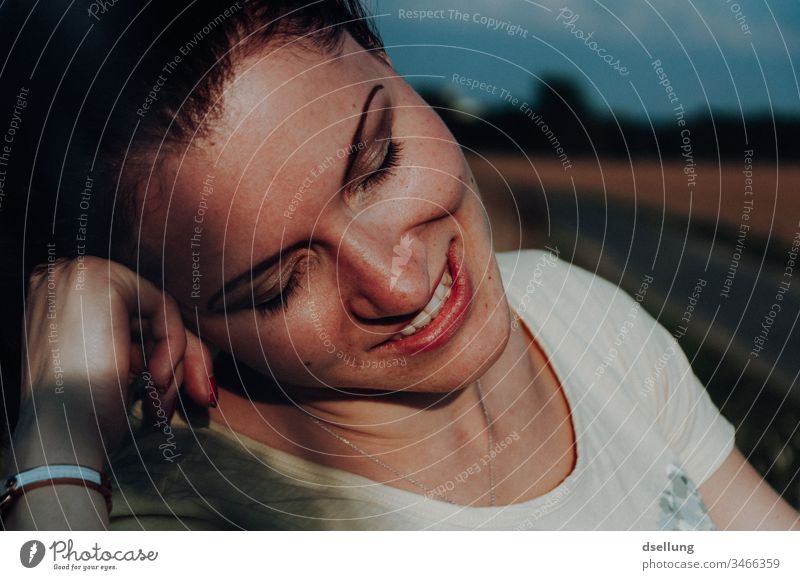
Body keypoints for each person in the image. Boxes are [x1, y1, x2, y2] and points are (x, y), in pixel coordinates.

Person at [1, 0, 798, 531]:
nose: (400, 281)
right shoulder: (187, 520)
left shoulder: (570, 314)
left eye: (377, 164)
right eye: (277, 286)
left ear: (382, 56)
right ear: (158, 303)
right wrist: (57, 436)